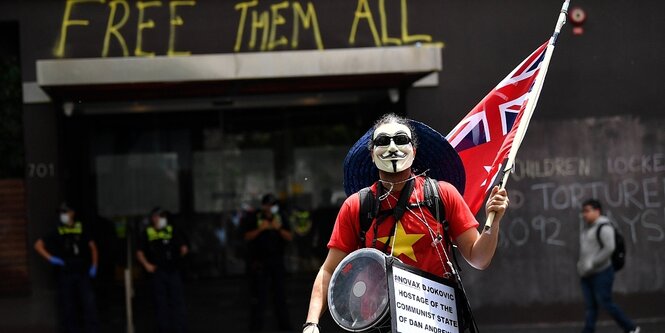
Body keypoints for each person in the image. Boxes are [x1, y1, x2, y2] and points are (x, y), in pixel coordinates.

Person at [303, 113, 509, 333]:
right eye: (383, 141)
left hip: (435, 321)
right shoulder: (357, 206)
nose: (392, 147)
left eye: (401, 139)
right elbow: (329, 270)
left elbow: (479, 258)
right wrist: (311, 322)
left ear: (414, 150)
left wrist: (492, 223)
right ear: (372, 154)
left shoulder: (441, 195)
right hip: (377, 322)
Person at [34, 203, 99, 333]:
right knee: (68, 305)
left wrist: (94, 265)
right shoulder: (57, 230)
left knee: (88, 303)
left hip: (82, 270)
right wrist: (50, 258)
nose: (63, 215)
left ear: (72, 213)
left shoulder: (81, 228)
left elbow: (93, 248)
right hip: (66, 271)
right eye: (61, 213)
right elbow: (38, 245)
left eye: (65, 212)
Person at [577, 199, 640, 333]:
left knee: (605, 302)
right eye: (583, 211)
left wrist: (592, 263)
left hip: (602, 272)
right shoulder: (587, 228)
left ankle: (631, 329)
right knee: (591, 306)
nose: (584, 214)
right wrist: (581, 265)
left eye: (587, 211)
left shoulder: (604, 227)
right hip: (586, 274)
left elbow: (609, 248)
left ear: (597, 211)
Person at [241, 193, 294, 331]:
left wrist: (278, 228)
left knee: (280, 297)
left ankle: (284, 327)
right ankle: (256, 328)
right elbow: (246, 236)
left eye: (272, 205)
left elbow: (289, 236)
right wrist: (261, 229)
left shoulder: (280, 217)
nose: (270, 208)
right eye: (268, 205)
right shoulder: (255, 217)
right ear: (263, 206)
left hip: (277, 261)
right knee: (259, 298)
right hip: (260, 262)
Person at [136, 207, 189, 333]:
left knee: (177, 302)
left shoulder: (171, 229)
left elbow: (184, 248)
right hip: (157, 272)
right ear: (153, 218)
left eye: (162, 216)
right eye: (158, 216)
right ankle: (164, 329)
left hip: (173, 271)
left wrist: (178, 259)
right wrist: (147, 265)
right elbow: (139, 252)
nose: (160, 219)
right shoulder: (148, 232)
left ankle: (180, 329)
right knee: (161, 303)